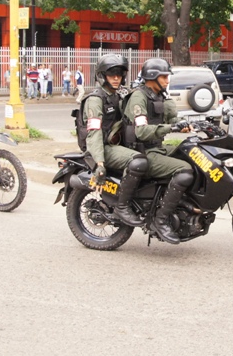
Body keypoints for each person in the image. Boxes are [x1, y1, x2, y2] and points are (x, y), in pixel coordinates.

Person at [122, 58, 194, 245]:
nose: (167, 80)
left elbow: (172, 120)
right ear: (152, 76)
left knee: (193, 155)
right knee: (185, 171)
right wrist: (171, 129)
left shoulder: (159, 95)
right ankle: (160, 220)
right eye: (163, 76)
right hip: (143, 151)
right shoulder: (139, 97)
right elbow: (142, 131)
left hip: (157, 148)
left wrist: (188, 125)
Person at [81, 54, 145, 227]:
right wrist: (99, 163)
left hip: (117, 144)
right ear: (102, 75)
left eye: (120, 74)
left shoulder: (119, 95)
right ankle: (122, 207)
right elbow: (94, 132)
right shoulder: (95, 100)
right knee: (138, 161)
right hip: (102, 148)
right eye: (112, 74)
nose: (116, 78)